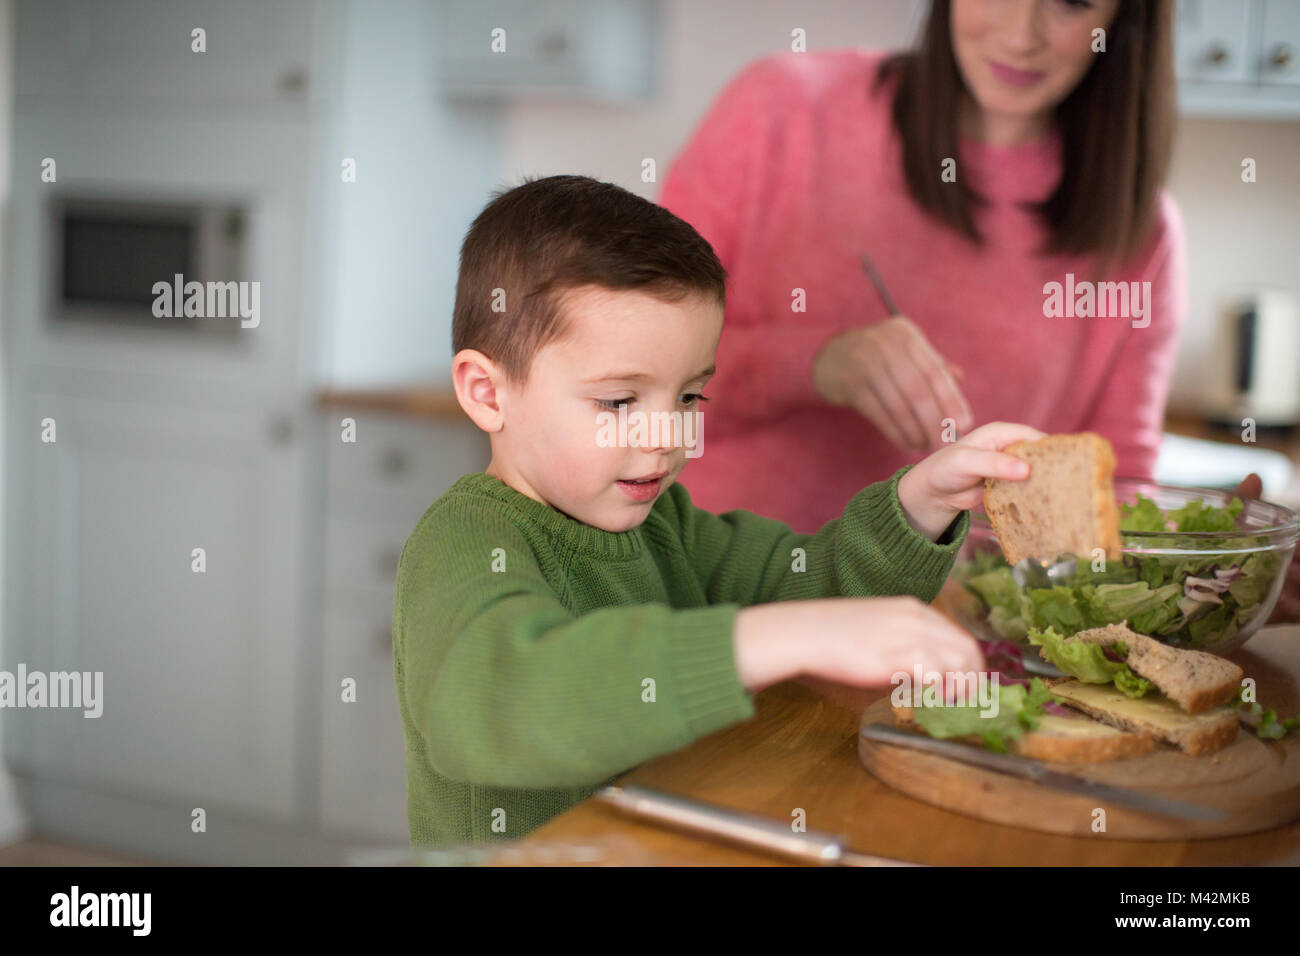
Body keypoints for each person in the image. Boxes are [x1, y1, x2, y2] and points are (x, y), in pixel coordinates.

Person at [392, 174, 1042, 846]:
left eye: (689, 398)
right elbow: (508, 703)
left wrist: (923, 501)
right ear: (486, 394)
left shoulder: (666, 523)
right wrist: (774, 639)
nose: (669, 436)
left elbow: (807, 578)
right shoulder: (465, 540)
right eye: (619, 402)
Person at [657, 0, 1180, 533]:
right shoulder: (779, 108)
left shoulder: (1142, 230)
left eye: (1070, 1)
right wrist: (816, 362)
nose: (1022, 36)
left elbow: (1115, 489)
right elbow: (630, 384)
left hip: (948, 610)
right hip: (715, 592)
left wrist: (1209, 569)